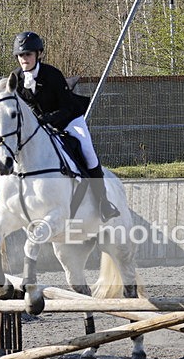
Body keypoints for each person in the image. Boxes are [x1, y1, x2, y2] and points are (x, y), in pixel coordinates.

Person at [10, 31, 119, 222]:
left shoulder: (52, 75)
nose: (24, 59)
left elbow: (67, 107)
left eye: (28, 54)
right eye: (21, 55)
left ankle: (103, 202)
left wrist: (47, 119)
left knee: (88, 151)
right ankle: (5, 203)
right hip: (40, 125)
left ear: (38, 54)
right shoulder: (16, 79)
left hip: (69, 120)